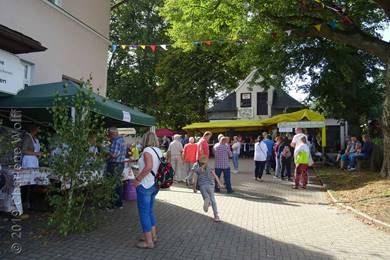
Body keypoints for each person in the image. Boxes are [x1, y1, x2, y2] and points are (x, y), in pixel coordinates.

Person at [133, 132, 162, 249]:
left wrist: (138, 178)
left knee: (144, 213)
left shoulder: (147, 151)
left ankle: (149, 242)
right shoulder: (158, 151)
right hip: (155, 185)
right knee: (149, 211)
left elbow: (149, 167)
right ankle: (153, 236)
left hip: (145, 185)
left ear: (145, 139)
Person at [192, 156, 222, 222]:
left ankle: (208, 202)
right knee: (213, 200)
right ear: (206, 162)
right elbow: (215, 176)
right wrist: (219, 184)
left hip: (202, 187)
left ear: (199, 163)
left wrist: (194, 189)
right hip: (211, 186)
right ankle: (216, 216)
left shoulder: (197, 170)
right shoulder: (210, 168)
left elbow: (194, 181)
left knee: (206, 198)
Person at [107, 127, 126, 209]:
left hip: (115, 164)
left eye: (109, 134)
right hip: (120, 164)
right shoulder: (122, 140)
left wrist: (106, 151)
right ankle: (119, 203)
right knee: (118, 184)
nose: (109, 137)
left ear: (113, 134)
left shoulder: (116, 141)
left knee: (112, 184)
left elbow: (114, 155)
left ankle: (111, 205)